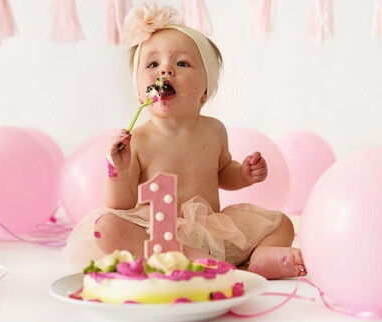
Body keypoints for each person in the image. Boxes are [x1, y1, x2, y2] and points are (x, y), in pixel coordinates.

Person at [63, 2, 306, 280]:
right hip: (158, 232)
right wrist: (116, 170)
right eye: (152, 64)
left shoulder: (214, 130)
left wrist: (243, 174)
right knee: (106, 226)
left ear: (205, 91)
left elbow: (223, 172)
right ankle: (182, 257)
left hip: (210, 229)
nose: (164, 71)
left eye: (182, 63)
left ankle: (260, 258)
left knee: (282, 223)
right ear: (140, 93)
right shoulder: (138, 140)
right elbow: (121, 204)